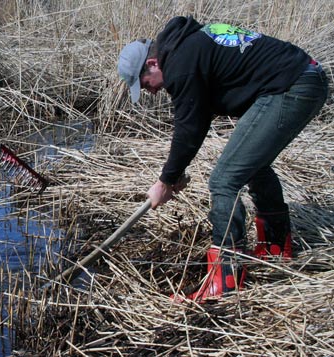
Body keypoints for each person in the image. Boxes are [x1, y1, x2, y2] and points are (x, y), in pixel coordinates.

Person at [117, 16, 328, 302]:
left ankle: (225, 278)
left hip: (293, 86)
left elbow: (188, 129)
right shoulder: (187, 48)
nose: (150, 91)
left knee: (223, 180)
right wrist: (175, 174)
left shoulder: (180, 64)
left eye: (145, 83)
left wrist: (165, 181)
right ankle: (276, 247)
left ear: (152, 64)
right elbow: (198, 119)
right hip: (303, 77)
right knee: (252, 164)